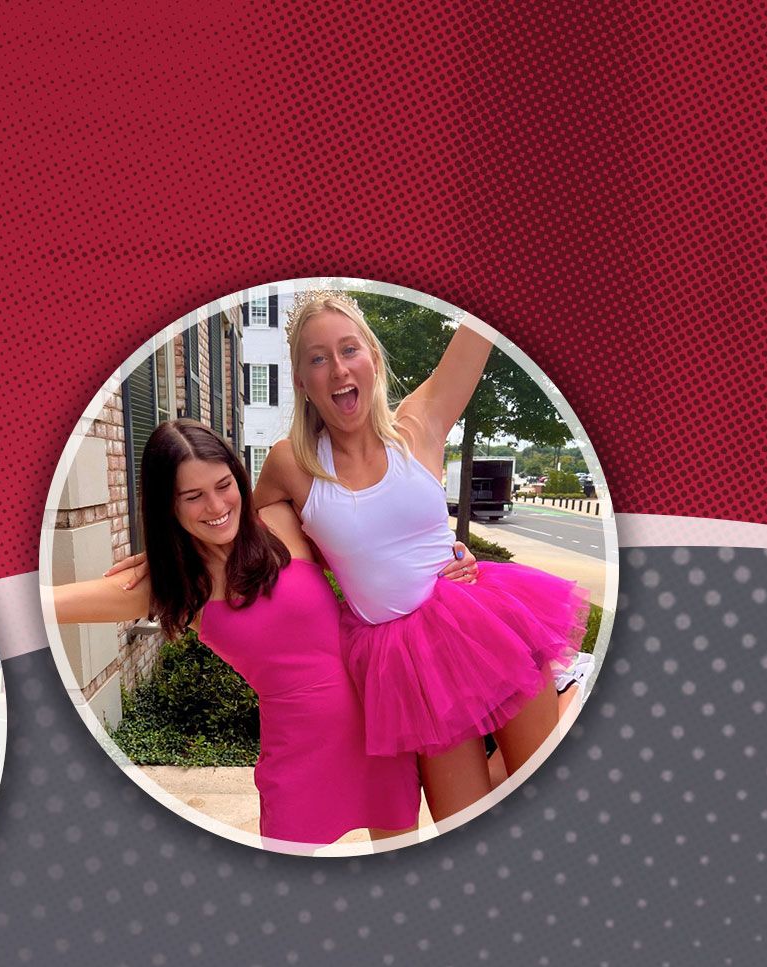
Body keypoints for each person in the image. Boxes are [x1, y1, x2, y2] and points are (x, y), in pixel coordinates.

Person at [252, 292, 587, 819]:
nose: (338, 368)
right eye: (317, 358)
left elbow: (479, 332)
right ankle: (572, 690)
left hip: (477, 618)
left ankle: (571, 692)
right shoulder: (290, 465)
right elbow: (227, 532)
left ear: (373, 359)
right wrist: (165, 554)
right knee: (461, 820)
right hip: (406, 662)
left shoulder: (419, 424)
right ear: (300, 381)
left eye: (349, 349)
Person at [56, 421, 424, 848]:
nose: (215, 506)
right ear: (166, 507)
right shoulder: (173, 583)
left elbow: (389, 556)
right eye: (193, 497)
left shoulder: (282, 521)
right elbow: (42, 603)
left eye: (223, 485)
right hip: (298, 760)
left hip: (380, 727)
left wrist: (453, 553)